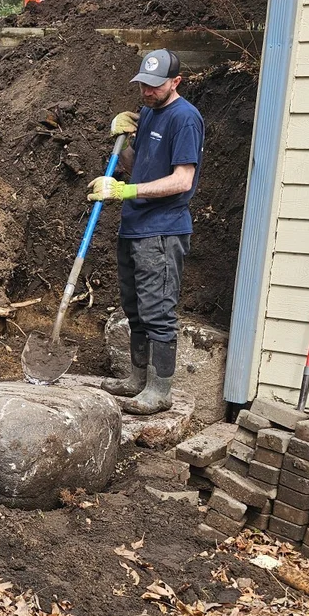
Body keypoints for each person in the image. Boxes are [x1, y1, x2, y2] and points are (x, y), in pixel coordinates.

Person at [86, 48, 203, 415]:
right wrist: (118, 142)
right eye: (143, 85)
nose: (147, 93)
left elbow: (182, 180)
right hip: (134, 227)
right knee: (134, 309)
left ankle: (159, 390)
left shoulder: (185, 119)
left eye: (155, 87)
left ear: (175, 82)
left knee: (158, 311)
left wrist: (126, 191)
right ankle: (137, 379)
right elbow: (141, 165)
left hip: (163, 231)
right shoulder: (149, 113)